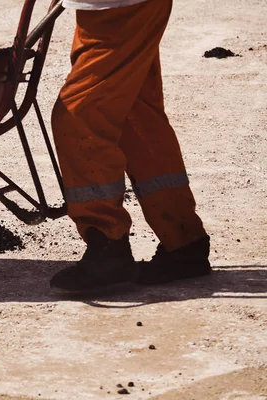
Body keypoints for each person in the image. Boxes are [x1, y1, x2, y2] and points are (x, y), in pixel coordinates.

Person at [50, 0, 211, 293]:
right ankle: (183, 238)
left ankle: (107, 244)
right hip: (115, 7)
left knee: (79, 115)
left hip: (121, 7)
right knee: (133, 114)